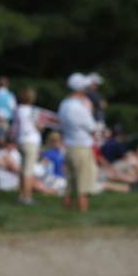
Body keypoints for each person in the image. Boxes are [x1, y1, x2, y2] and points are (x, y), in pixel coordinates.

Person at [57, 73, 97, 213]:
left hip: (69, 147)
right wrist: (89, 110)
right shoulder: (80, 107)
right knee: (84, 185)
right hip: (82, 149)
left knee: (70, 185)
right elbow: (92, 128)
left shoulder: (64, 104)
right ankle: (83, 213)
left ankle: (66, 212)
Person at [15, 87, 43, 205]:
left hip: (21, 140)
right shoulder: (33, 110)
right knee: (28, 171)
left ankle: (21, 194)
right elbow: (39, 127)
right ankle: (27, 197)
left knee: (23, 169)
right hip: (31, 141)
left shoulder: (18, 109)